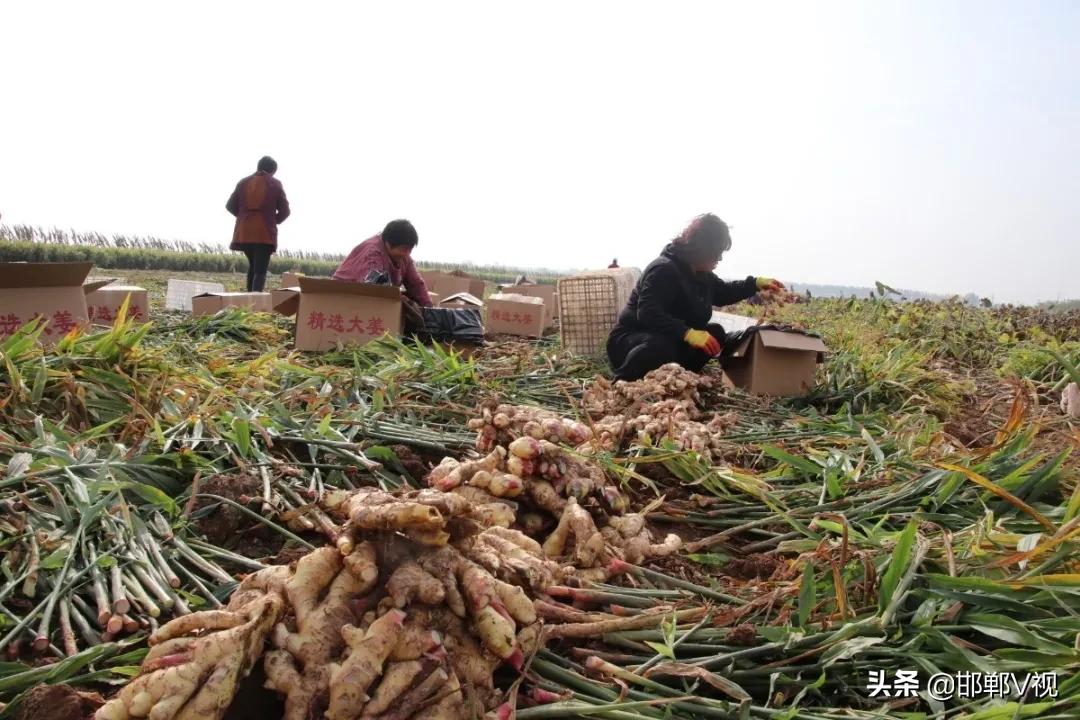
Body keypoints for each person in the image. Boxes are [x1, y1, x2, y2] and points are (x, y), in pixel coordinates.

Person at [606, 213, 784, 381]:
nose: (719, 259)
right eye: (716, 253)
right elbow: (648, 313)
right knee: (662, 345)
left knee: (715, 333)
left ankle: (679, 378)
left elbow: (723, 292)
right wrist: (687, 333)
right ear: (702, 249)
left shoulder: (701, 275)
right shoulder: (663, 269)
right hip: (632, 342)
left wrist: (755, 284)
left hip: (669, 340)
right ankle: (624, 380)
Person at [334, 220, 432, 331]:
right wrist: (407, 303)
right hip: (347, 301)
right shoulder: (372, 253)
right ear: (388, 244)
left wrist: (428, 308)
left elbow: (416, 283)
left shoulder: (405, 257)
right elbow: (377, 289)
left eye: (410, 250)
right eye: (404, 249)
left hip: (374, 302)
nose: (407, 254)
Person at [227, 156, 290, 292]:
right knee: (260, 271)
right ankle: (255, 301)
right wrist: (273, 220)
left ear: (258, 167)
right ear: (273, 171)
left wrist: (244, 218)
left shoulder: (243, 182)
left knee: (253, 266)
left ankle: (249, 299)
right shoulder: (275, 184)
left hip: (244, 233)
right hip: (264, 234)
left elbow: (230, 206)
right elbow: (285, 211)